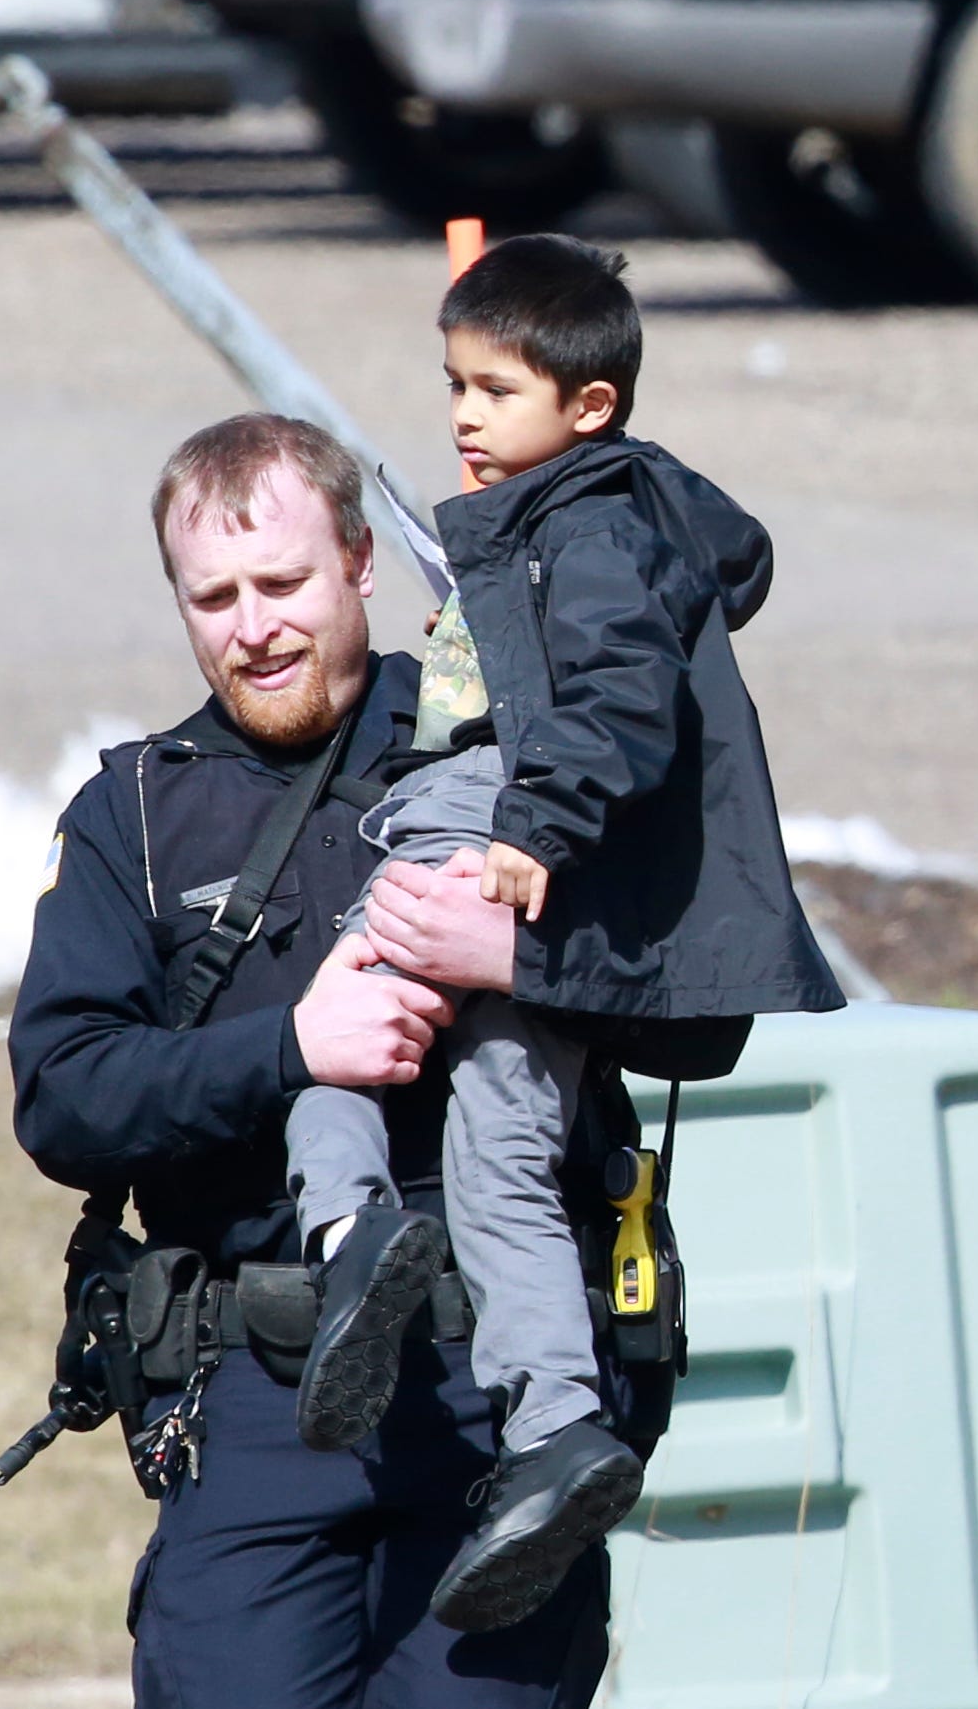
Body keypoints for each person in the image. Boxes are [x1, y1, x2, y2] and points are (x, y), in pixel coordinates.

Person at [11, 413, 644, 1709]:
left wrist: (514, 954)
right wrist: (282, 1049)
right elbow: (65, 1092)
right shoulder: (138, 816)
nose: (257, 625)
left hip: (486, 1374)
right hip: (261, 1375)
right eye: (214, 598)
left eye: (285, 580)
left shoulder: (510, 756)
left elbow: (707, 991)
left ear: (363, 563)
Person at [283, 233, 840, 1636]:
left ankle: (350, 1233)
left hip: (506, 836)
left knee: (344, 1009)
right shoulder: (583, 520)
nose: (462, 416)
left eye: (493, 390)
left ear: (588, 409)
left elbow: (618, 702)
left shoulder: (586, 527)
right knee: (500, 1136)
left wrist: (530, 823)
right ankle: (556, 1427)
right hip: (561, 885)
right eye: (452, 384)